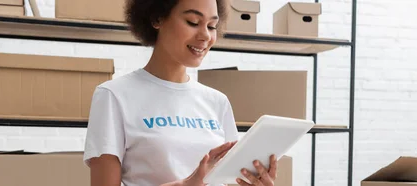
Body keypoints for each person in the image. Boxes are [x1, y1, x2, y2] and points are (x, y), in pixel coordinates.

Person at [82, 0, 278, 185]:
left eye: (211, 26)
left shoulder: (217, 101)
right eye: (193, 22)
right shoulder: (113, 96)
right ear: (157, 18)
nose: (205, 36)